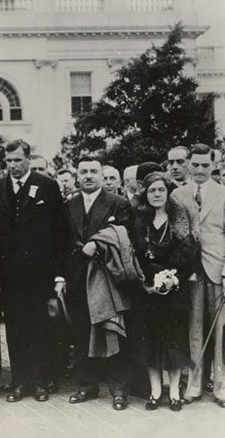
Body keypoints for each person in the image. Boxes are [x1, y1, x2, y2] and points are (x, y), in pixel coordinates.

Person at [0, 139, 64, 403]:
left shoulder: (48, 187)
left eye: (17, 160)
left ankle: (40, 381)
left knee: (40, 326)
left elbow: (60, 233)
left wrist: (58, 274)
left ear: (28, 159)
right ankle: (19, 381)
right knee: (15, 328)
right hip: (10, 276)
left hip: (40, 273)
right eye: (8, 161)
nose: (13, 166)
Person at [59, 156, 134, 411]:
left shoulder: (118, 204)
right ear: (77, 176)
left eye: (93, 171)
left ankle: (119, 389)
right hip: (78, 277)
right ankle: (87, 385)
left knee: (112, 331)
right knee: (81, 333)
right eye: (84, 172)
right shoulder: (68, 205)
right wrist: (60, 276)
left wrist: (98, 242)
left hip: (107, 278)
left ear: (102, 175)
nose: (88, 176)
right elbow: (61, 244)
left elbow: (123, 234)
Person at [130, 172, 196, 412]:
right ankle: (156, 390)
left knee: (174, 342)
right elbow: (135, 254)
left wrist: (170, 277)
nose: (156, 195)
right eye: (151, 191)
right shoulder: (140, 221)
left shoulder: (179, 219)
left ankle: (175, 390)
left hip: (174, 290)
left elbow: (187, 252)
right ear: (145, 195)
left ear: (167, 193)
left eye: (160, 190)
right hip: (148, 290)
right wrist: (148, 280)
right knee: (150, 341)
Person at [170, 144, 225, 407]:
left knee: (221, 329)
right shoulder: (178, 195)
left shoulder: (223, 193)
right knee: (193, 327)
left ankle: (221, 386)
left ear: (214, 165)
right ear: (189, 164)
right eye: (196, 165)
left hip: (218, 267)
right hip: (190, 270)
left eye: (206, 165)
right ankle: (193, 384)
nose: (200, 170)